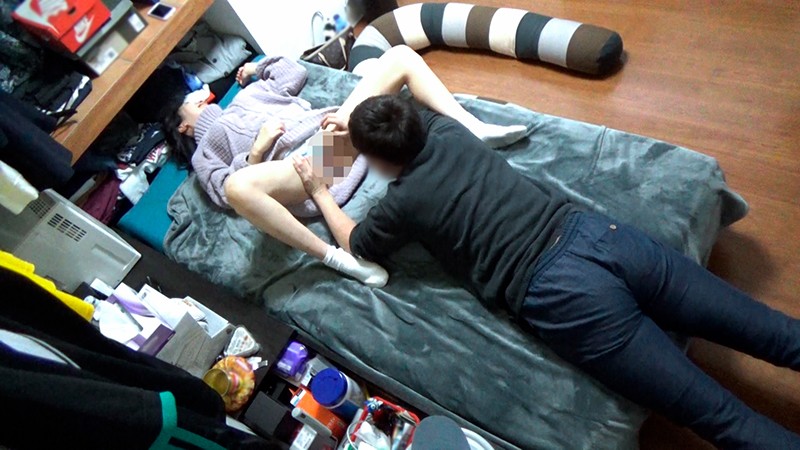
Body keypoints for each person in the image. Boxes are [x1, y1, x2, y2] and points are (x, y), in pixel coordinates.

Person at [291, 93, 800, 449]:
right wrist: (357, 124)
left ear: (379, 161)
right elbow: (402, 109)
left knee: (718, 416)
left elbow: (355, 242)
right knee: (772, 331)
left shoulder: (400, 205)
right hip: (599, 236)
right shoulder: (446, 129)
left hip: (560, 293)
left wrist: (318, 189)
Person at [162, 45, 527, 288]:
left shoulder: (248, 94)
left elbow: (293, 73)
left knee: (399, 56)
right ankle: (338, 260)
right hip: (304, 167)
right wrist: (255, 153)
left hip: (336, 133)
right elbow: (226, 194)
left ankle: (472, 127)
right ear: (182, 126)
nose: (198, 95)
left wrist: (257, 68)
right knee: (237, 187)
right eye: (189, 100)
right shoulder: (204, 154)